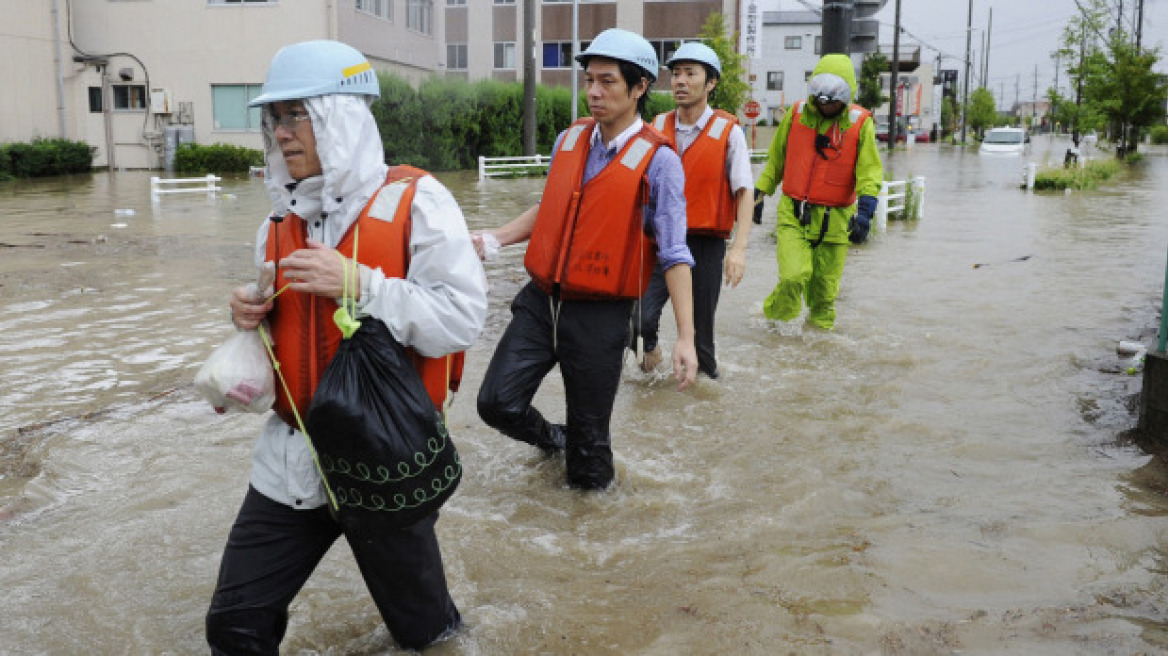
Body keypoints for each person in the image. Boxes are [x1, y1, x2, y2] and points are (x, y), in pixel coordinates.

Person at [207, 40, 487, 653]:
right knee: (233, 627)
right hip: (291, 460)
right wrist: (246, 320)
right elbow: (281, 348)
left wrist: (360, 284)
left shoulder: (420, 203)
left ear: (339, 116)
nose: (281, 133)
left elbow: (462, 320)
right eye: (273, 118)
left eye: (295, 114)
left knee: (428, 637)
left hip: (386, 455)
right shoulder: (277, 225)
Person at [472, 28, 698, 491]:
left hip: (599, 317)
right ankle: (554, 440)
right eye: (590, 80)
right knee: (496, 403)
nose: (594, 91)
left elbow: (675, 254)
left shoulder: (660, 162)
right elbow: (553, 207)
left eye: (608, 81)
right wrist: (495, 238)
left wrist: (686, 338)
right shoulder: (570, 139)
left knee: (590, 455)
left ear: (639, 88)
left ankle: (591, 537)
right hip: (541, 303)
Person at [635, 42, 755, 379]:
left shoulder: (729, 131)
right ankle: (652, 354)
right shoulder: (655, 126)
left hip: (704, 244)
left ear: (711, 83)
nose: (680, 81)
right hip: (660, 241)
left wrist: (739, 250)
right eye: (675, 74)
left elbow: (745, 191)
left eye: (691, 73)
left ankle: (704, 400)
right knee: (641, 319)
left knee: (702, 336)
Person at [753, 53, 883, 331]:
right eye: (821, 99)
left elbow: (869, 173)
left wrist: (865, 214)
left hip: (836, 222)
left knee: (825, 295)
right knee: (793, 276)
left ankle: (818, 345)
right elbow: (777, 159)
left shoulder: (861, 124)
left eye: (833, 100)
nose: (826, 105)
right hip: (794, 213)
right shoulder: (797, 114)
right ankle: (775, 330)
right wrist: (760, 193)